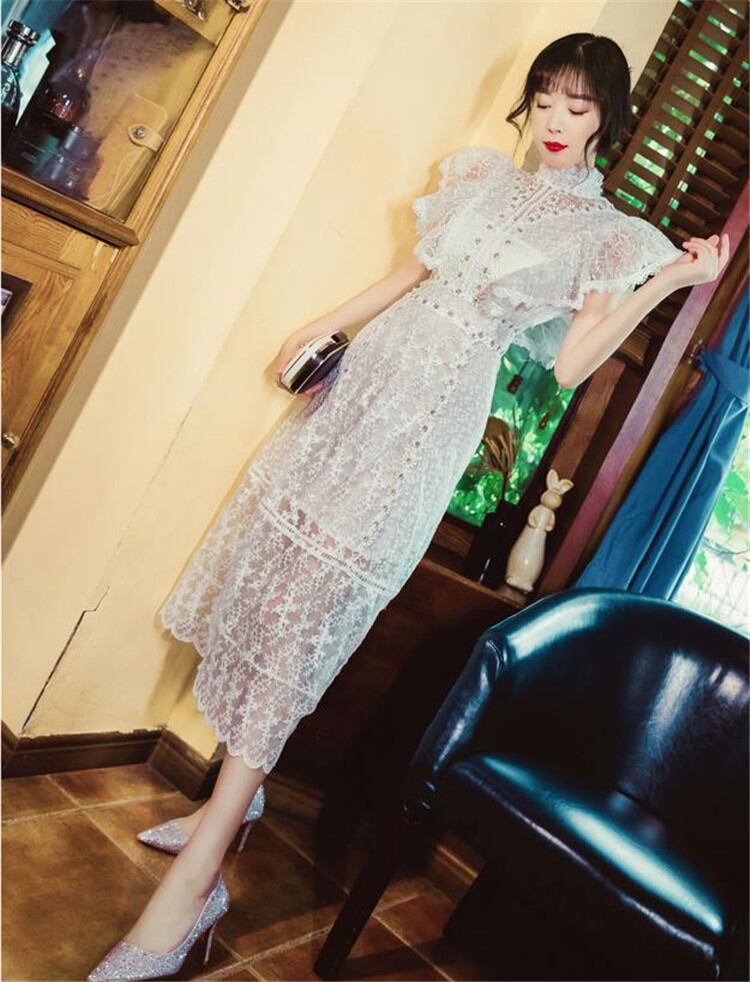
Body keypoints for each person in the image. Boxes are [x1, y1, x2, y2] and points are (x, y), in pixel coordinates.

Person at [87, 31, 730, 980]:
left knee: (311, 610)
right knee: (276, 584)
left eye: (579, 106)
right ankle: (237, 797)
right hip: (365, 388)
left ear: (608, 120)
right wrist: (325, 326)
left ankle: (199, 879)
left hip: (428, 424)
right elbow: (409, 276)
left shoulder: (602, 235)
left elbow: (570, 364)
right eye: (544, 99)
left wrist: (670, 279)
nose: (555, 121)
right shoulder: (478, 179)